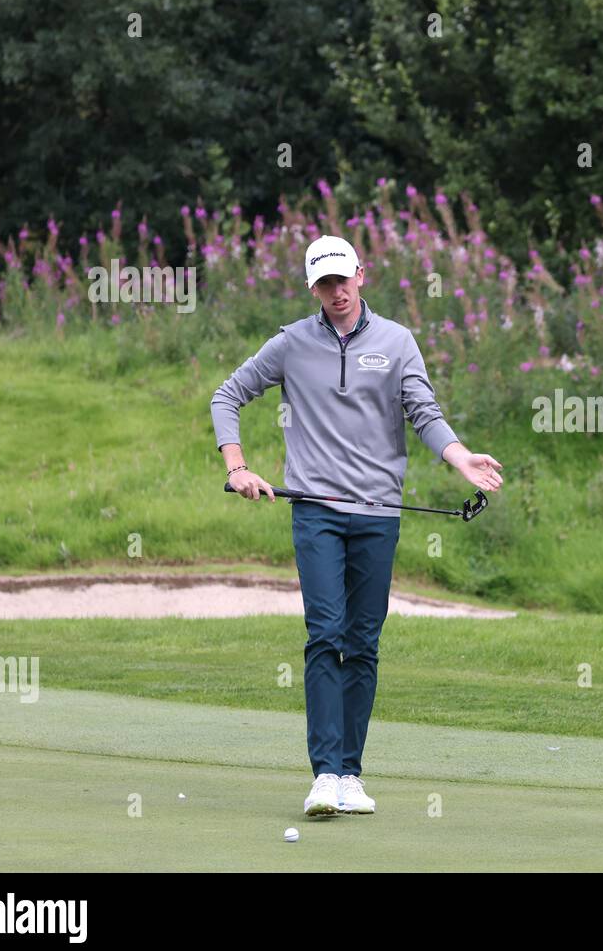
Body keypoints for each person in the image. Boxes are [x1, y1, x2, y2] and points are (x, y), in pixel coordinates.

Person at [209, 234, 503, 817]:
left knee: (363, 644)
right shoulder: (292, 343)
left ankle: (350, 774)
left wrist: (460, 457)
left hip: (378, 514)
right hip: (315, 511)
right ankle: (323, 775)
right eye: (324, 283)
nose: (336, 291)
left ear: (361, 275)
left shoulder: (398, 342)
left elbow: (423, 411)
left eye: (343, 279)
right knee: (325, 633)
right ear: (311, 288)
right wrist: (237, 466)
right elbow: (228, 395)